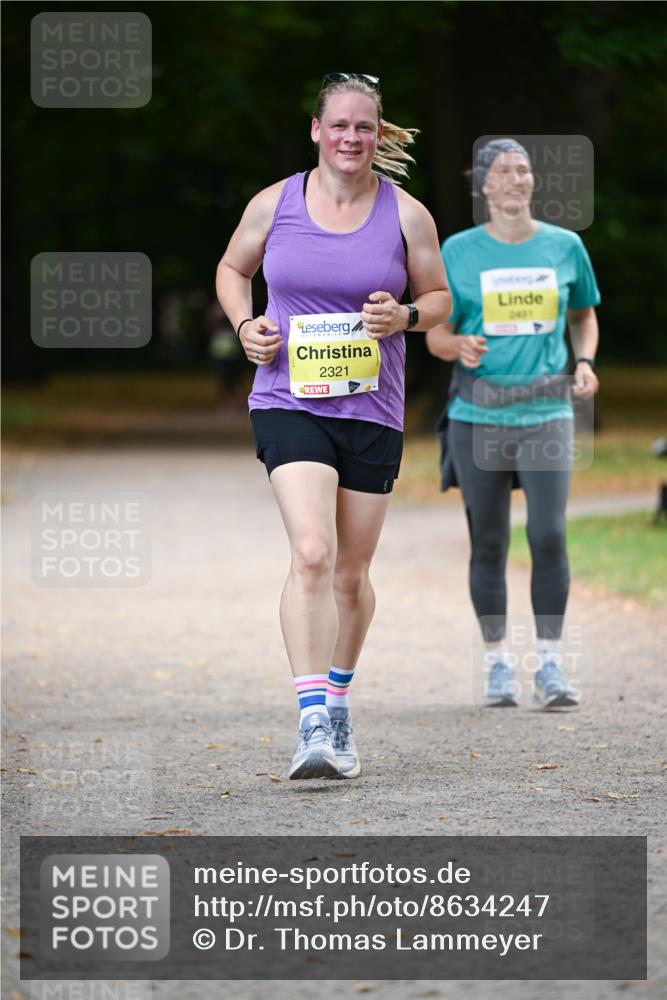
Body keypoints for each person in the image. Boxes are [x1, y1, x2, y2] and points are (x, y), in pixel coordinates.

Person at [216, 73, 450, 778]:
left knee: (351, 574)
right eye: (339, 126)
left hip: (371, 409)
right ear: (316, 130)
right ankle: (311, 721)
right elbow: (232, 270)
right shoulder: (275, 203)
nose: (351, 138)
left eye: (364, 128)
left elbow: (438, 298)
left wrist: (404, 317)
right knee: (312, 553)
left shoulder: (406, 215)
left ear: (378, 136)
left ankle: (339, 701)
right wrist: (245, 325)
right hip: (287, 398)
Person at [426, 138, 600, 710]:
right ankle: (498, 665)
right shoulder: (457, 251)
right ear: (483, 185)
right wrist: (459, 345)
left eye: (523, 170)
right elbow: (435, 334)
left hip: (547, 410)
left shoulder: (564, 246)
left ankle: (549, 666)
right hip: (478, 415)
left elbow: (583, 315)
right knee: (489, 543)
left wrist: (584, 361)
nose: (515, 179)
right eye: (502, 171)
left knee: (548, 535)